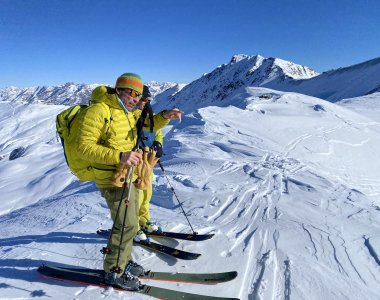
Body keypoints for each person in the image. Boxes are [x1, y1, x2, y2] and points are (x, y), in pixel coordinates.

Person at [75, 73, 182, 290]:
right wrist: (120, 156)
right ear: (120, 90)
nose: (135, 98)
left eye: (139, 95)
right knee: (126, 226)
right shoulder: (100, 110)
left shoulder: (127, 112)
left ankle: (124, 260)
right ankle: (114, 272)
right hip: (112, 179)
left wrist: (164, 116)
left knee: (130, 225)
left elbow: (146, 126)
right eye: (132, 93)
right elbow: (83, 147)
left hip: (128, 177)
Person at [134, 85, 164, 242]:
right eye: (142, 99)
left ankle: (144, 222)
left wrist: (158, 144)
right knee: (135, 196)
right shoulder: (128, 115)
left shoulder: (149, 114)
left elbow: (157, 131)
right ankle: (133, 228)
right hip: (134, 161)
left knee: (146, 194)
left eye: (147, 100)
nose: (145, 102)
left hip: (147, 160)